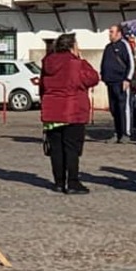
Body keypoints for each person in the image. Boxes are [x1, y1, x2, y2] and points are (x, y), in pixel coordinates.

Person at [39, 33, 100, 194]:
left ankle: (59, 182)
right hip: (73, 111)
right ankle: (72, 182)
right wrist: (82, 60)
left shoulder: (47, 62)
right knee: (71, 148)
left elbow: (42, 88)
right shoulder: (76, 64)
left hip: (52, 110)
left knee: (56, 148)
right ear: (72, 46)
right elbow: (93, 78)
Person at [99, 24, 134, 143]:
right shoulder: (108, 47)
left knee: (123, 108)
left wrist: (127, 79)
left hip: (121, 82)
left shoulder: (125, 45)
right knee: (114, 109)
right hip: (110, 82)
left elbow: (131, 63)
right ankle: (117, 132)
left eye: (112, 32)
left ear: (119, 33)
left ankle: (125, 133)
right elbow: (104, 62)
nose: (110, 34)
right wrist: (103, 76)